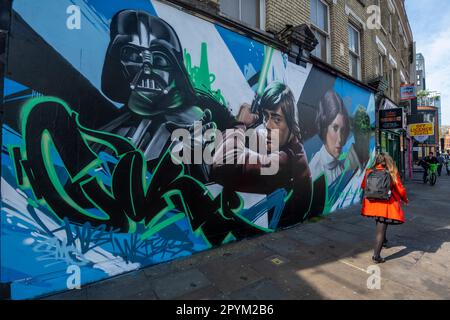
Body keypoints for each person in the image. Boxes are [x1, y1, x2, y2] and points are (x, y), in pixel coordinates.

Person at [212, 81, 313, 228]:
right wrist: (250, 125)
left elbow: (224, 165)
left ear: (291, 123)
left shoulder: (285, 161)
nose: (268, 125)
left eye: (277, 119)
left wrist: (239, 124)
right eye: (266, 117)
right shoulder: (293, 147)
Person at [361, 152, 408, 264]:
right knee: (380, 230)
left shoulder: (369, 171)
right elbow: (400, 189)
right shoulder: (391, 172)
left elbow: (363, 186)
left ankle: (385, 241)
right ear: (388, 161)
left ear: (376, 160)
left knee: (379, 224)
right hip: (386, 204)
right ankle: (376, 256)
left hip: (372, 203)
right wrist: (405, 199)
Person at [309, 90, 351, 186]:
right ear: (324, 128)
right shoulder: (314, 171)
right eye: (335, 128)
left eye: (343, 130)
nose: (340, 139)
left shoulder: (340, 166)